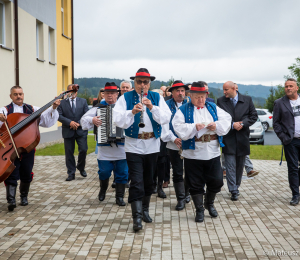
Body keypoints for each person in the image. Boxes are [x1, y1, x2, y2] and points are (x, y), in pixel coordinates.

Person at [113, 68, 171, 232]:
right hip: (134, 145)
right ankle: (136, 217)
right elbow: (118, 120)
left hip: (152, 144)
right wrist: (132, 112)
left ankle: (145, 210)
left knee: (149, 181)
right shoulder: (125, 97)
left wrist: (152, 107)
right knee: (137, 181)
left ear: (149, 83)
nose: (142, 85)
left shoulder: (157, 97)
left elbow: (166, 118)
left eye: (145, 82)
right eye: (139, 82)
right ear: (134, 83)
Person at [172, 81, 231, 222]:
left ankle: (209, 203)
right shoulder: (184, 110)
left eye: (203, 96)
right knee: (195, 183)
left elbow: (227, 120)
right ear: (190, 96)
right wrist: (194, 127)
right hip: (193, 152)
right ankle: (199, 210)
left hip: (212, 151)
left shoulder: (212, 107)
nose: (201, 100)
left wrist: (215, 126)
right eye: (197, 97)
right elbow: (177, 126)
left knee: (217, 181)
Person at [0, 85, 60, 211]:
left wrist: (53, 108)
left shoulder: (32, 109)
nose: (18, 96)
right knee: (11, 172)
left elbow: (47, 121)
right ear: (11, 96)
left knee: (27, 171)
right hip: (10, 148)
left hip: (27, 146)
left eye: (20, 94)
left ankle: (23, 197)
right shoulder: (5, 110)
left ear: (23, 95)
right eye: (15, 94)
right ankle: (11, 200)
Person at [81, 82, 128, 206]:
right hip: (105, 149)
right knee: (104, 172)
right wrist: (93, 119)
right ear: (104, 94)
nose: (110, 96)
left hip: (122, 148)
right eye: (107, 93)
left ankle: (120, 197)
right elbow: (83, 121)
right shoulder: (98, 108)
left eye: (112, 93)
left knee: (122, 173)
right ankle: (102, 190)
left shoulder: (124, 107)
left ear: (117, 94)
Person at [217, 81, 258, 201]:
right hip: (228, 138)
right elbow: (218, 118)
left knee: (240, 166)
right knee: (230, 165)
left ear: (234, 88)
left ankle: (237, 186)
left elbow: (253, 116)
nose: (224, 92)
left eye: (226, 90)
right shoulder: (220, 101)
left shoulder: (247, 99)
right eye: (223, 90)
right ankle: (233, 190)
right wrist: (231, 125)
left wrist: (243, 124)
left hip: (242, 138)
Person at [161, 80, 191, 210]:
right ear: (172, 92)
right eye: (177, 91)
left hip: (190, 143)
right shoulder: (166, 105)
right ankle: (180, 199)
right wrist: (174, 138)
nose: (180, 93)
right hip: (174, 144)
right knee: (177, 172)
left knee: (190, 171)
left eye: (182, 91)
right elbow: (163, 125)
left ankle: (187, 193)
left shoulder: (191, 104)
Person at [273, 78, 300, 206]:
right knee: (293, 168)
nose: (288, 88)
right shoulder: (279, 103)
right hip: (290, 141)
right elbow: (276, 123)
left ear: (296, 88)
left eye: (291, 86)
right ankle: (295, 195)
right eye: (286, 86)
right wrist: (284, 138)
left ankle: (296, 185)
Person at [57, 84, 89, 181]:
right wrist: (70, 122)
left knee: (83, 149)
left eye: (74, 91)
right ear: (67, 92)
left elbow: (86, 115)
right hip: (68, 130)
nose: (73, 93)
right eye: (70, 91)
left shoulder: (83, 101)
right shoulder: (62, 103)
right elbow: (59, 115)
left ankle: (81, 167)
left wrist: (78, 123)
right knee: (69, 153)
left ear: (77, 92)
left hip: (81, 130)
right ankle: (71, 173)